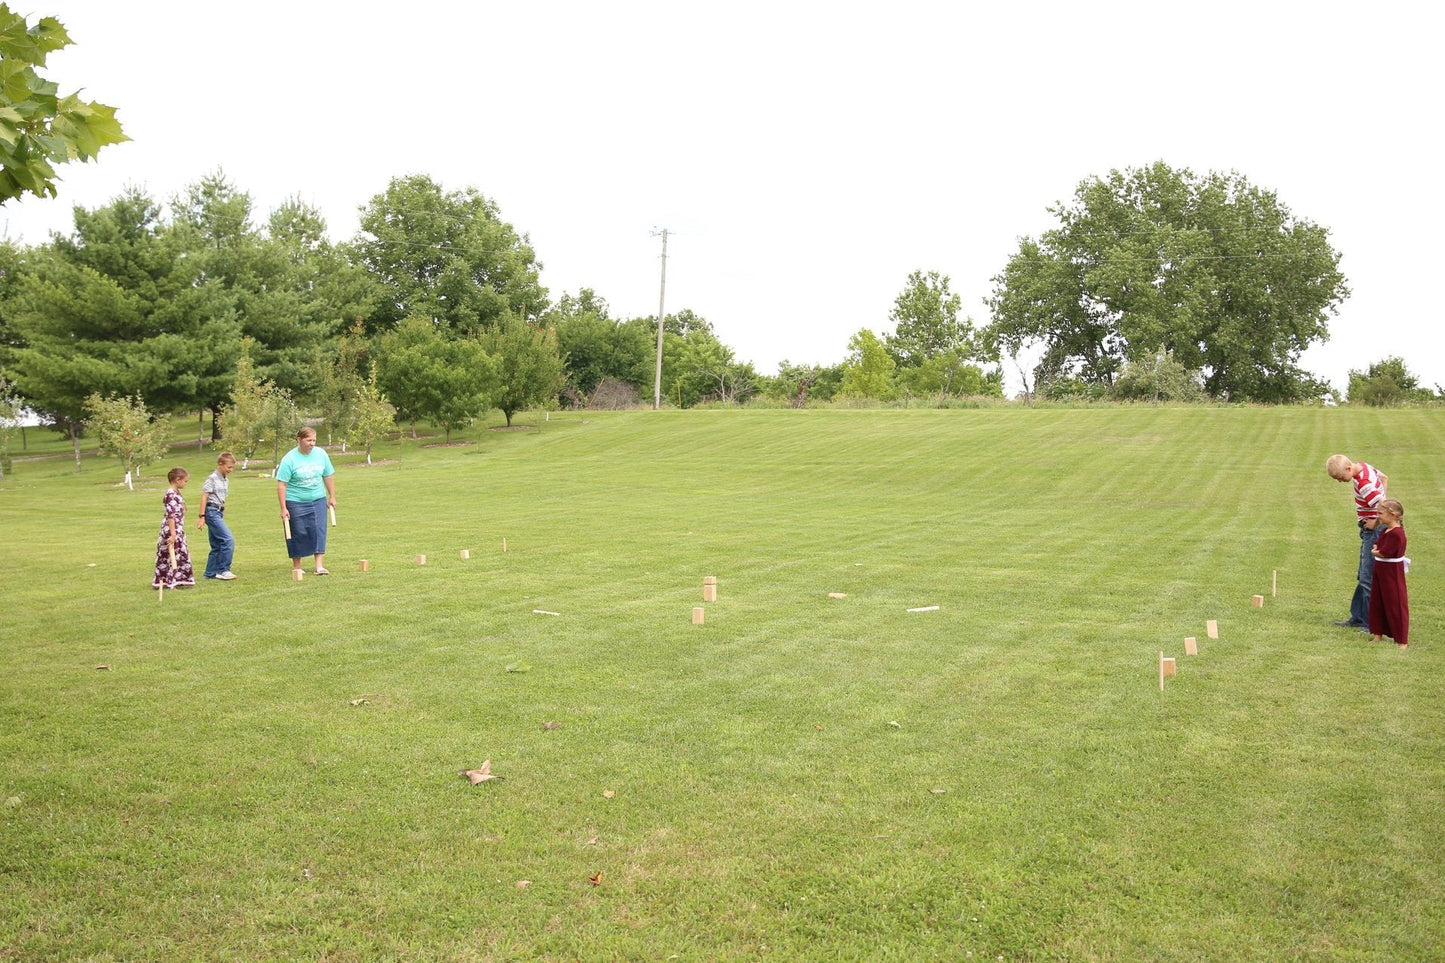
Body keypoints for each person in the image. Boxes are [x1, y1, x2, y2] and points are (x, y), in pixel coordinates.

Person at [1325, 454, 1387, 629]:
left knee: (1368, 578)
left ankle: (1370, 624)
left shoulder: (1364, 483)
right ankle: (1358, 617)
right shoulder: (1363, 467)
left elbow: (1384, 505)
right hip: (1370, 531)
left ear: (1348, 469)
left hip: (1374, 532)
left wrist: (1375, 522)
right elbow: (1383, 478)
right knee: (1363, 576)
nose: (1340, 481)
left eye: (1340, 478)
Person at [276, 427, 336, 576]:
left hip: (317, 498)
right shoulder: (289, 459)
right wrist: (283, 508)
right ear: (299, 440)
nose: (312, 443)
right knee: (298, 532)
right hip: (295, 501)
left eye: (314, 440)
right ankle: (297, 566)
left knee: (319, 530)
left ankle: (319, 566)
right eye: (309, 440)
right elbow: (282, 484)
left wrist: (332, 496)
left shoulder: (321, 454)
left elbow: (327, 475)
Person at [1368, 498, 1409, 648]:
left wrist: (1376, 552)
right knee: (1377, 600)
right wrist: (1377, 550)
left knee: (1395, 602)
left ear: (1393, 515)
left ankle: (1401, 640)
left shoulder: (1397, 534)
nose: (1378, 516)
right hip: (1380, 569)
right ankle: (1377, 632)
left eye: (1381, 513)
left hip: (1392, 572)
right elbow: (1379, 546)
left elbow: (1385, 552)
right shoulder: (1385, 530)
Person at [152, 467, 196, 590]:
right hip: (172, 529)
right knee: (171, 555)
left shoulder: (176, 493)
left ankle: (181, 578)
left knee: (180, 553)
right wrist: (173, 534)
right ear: (177, 480)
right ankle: (169, 580)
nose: (186, 483)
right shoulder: (170, 494)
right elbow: (170, 516)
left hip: (178, 528)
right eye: (185, 481)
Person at [197, 451, 238, 580]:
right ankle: (223, 570)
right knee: (228, 539)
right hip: (211, 511)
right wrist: (202, 516)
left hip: (218, 512)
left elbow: (222, 498)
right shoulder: (212, 479)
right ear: (220, 464)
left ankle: (210, 572)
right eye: (228, 467)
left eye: (232, 467)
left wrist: (222, 512)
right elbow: (204, 497)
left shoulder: (226, 479)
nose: (230, 470)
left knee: (216, 544)